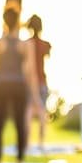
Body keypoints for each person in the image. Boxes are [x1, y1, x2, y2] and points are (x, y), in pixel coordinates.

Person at [0, 5, 42, 163]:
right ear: (18, 22)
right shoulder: (25, 45)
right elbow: (30, 74)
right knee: (19, 124)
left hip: (3, 86)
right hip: (18, 87)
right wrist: (36, 99)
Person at [25, 14, 52, 153]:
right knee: (42, 112)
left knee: (29, 112)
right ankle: (41, 143)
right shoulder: (45, 45)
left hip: (29, 83)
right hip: (42, 81)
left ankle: (28, 143)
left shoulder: (25, 44)